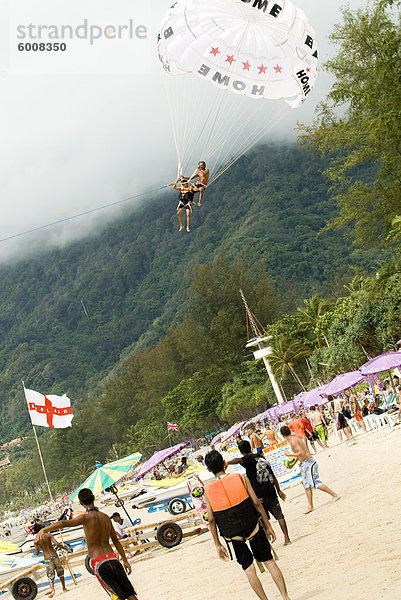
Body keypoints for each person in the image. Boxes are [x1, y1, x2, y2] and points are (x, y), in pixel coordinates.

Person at [204, 450, 291, 600]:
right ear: (225, 463)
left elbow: (211, 519)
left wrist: (217, 544)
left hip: (232, 533)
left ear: (209, 469)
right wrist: (267, 524)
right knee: (269, 561)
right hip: (253, 526)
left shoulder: (208, 490)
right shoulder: (241, 478)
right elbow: (256, 503)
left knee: (249, 568)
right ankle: (285, 597)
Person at [35, 488, 138, 600]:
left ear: (80, 503)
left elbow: (64, 523)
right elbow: (116, 541)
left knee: (117, 596)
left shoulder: (85, 518)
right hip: (113, 558)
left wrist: (44, 530)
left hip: (99, 562)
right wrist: (125, 560)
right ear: (93, 497)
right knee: (129, 593)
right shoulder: (105, 517)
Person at [226, 440, 291, 546]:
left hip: (259, 494)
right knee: (279, 515)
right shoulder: (261, 457)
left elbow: (238, 460)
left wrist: (227, 462)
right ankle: (287, 539)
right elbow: (273, 475)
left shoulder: (246, 459)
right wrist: (278, 490)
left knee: (262, 519)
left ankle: (268, 543)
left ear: (241, 451)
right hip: (271, 490)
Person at [280, 425, 340, 515]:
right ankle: (310, 506)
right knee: (306, 485)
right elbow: (300, 454)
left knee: (315, 483)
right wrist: (293, 464)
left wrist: (290, 455)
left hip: (309, 463)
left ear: (282, 435)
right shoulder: (293, 438)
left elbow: (302, 452)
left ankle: (335, 495)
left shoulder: (293, 441)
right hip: (304, 464)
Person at [33, 522, 72, 598]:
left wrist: (35, 544)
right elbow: (57, 544)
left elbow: (37, 553)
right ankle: (64, 588)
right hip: (54, 555)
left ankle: (53, 590)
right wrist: (67, 549)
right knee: (60, 571)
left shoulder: (36, 540)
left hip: (47, 557)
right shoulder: (48, 535)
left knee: (50, 575)